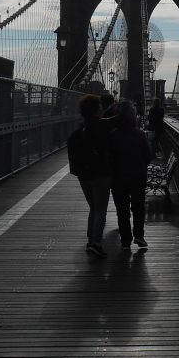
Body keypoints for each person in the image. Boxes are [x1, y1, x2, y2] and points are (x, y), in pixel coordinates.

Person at [71, 94, 116, 258]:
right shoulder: (103, 124)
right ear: (98, 109)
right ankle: (96, 242)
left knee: (93, 208)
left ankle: (91, 240)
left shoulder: (80, 128)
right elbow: (124, 116)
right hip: (101, 175)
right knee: (101, 209)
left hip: (83, 176)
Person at [107, 100, 153, 251]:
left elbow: (108, 158)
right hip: (137, 177)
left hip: (118, 178)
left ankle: (125, 240)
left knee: (122, 210)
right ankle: (139, 235)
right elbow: (148, 155)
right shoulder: (140, 134)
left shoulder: (112, 136)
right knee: (138, 208)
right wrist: (140, 167)